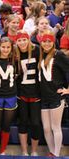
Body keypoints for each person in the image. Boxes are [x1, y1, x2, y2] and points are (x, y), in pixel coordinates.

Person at [38, 29, 69, 157]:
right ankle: (52, 152)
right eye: (44, 41)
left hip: (56, 96)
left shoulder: (59, 55)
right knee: (46, 128)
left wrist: (68, 89)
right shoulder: (41, 55)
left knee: (55, 127)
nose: (46, 44)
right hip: (44, 96)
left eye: (49, 41)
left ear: (53, 42)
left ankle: (56, 154)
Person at [15, 30, 41, 156]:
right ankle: (25, 151)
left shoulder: (36, 50)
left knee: (36, 123)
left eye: (24, 39)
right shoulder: (15, 54)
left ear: (28, 39)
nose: (22, 42)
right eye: (19, 40)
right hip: (22, 94)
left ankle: (34, 151)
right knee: (23, 122)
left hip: (36, 94)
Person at [0, 36, 17, 155]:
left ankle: (3, 150)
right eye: (3, 47)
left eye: (8, 47)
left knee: (6, 124)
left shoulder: (15, 59)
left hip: (11, 95)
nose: (5, 49)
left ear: (11, 48)